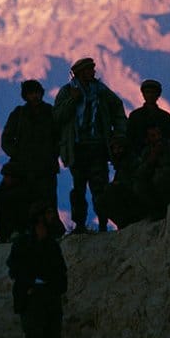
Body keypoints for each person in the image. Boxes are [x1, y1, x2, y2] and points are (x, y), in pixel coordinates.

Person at [53, 57, 127, 233]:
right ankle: (79, 225)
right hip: (77, 148)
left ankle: (103, 223)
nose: (93, 72)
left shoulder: (101, 92)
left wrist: (119, 133)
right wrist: (72, 101)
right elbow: (57, 117)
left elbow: (117, 107)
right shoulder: (67, 92)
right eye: (89, 70)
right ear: (80, 73)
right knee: (78, 188)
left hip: (97, 147)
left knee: (100, 187)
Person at [7, 202, 68, 338]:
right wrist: (29, 287)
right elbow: (15, 269)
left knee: (52, 335)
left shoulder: (51, 244)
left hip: (50, 295)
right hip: (32, 296)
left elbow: (60, 270)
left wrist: (57, 288)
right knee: (35, 335)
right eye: (48, 213)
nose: (52, 216)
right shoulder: (23, 243)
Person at [1, 79, 61, 211]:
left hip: (47, 167)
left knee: (48, 203)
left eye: (37, 93)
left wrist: (53, 153)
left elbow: (60, 137)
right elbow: (6, 139)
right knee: (26, 203)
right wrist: (18, 155)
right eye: (31, 93)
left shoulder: (50, 112)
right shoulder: (19, 114)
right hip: (24, 168)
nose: (35, 96)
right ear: (25, 96)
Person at [96, 132, 146, 229]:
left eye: (119, 148)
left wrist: (120, 185)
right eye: (114, 148)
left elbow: (138, 182)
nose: (117, 151)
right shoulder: (121, 164)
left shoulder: (133, 161)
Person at [126, 79, 170, 154]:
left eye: (153, 92)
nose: (150, 95)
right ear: (143, 94)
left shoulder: (165, 117)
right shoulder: (135, 116)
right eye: (147, 92)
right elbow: (129, 139)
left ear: (158, 95)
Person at [0, 162, 35, 243]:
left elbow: (12, 197)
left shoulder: (23, 188)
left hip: (20, 225)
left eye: (7, 176)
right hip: (5, 230)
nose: (5, 178)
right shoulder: (3, 187)